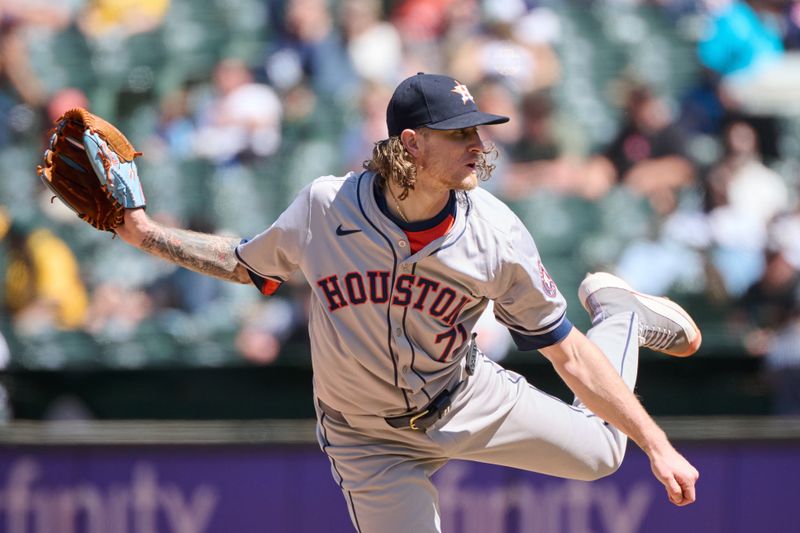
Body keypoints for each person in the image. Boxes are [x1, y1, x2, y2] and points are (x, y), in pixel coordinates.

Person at [114, 73, 701, 532]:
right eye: (460, 133)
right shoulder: (326, 208)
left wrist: (659, 446)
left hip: (464, 397)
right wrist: (144, 234)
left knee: (603, 453)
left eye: (477, 130)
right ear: (412, 144)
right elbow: (245, 264)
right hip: (366, 437)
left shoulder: (495, 234)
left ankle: (618, 313)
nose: (478, 143)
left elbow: (567, 356)